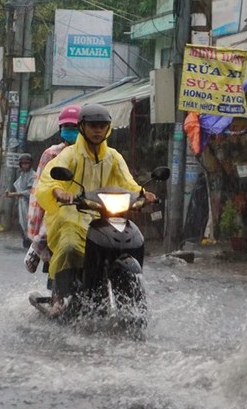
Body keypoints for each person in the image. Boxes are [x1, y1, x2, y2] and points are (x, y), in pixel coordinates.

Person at [35, 103, 156, 315]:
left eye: (102, 125)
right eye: (92, 125)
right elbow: (49, 179)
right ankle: (60, 297)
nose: (97, 130)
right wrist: (58, 191)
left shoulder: (114, 157)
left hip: (104, 216)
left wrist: (143, 194)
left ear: (108, 127)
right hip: (71, 215)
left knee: (131, 239)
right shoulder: (69, 155)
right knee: (70, 247)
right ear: (82, 126)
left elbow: (128, 183)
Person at [24, 103, 81, 273]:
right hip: (58, 202)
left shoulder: (95, 153)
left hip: (87, 202)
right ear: (60, 129)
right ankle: (38, 244)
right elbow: (42, 183)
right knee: (51, 220)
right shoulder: (52, 154)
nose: (70, 130)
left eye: (75, 127)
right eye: (67, 127)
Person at [5, 152, 35, 247]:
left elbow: (30, 192)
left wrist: (14, 194)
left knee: (29, 225)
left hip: (30, 204)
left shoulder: (33, 175)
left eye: (27, 163)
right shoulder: (22, 175)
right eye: (23, 163)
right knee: (22, 225)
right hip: (21, 205)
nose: (25, 165)